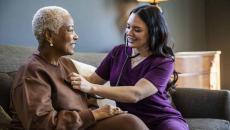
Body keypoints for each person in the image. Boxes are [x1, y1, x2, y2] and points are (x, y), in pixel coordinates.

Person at [10, 6, 149, 130]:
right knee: (130, 123)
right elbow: (41, 123)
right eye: (70, 30)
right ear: (49, 35)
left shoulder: (67, 64)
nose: (76, 36)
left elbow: (88, 100)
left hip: (86, 125)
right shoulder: (32, 72)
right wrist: (94, 115)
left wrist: (101, 113)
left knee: (129, 121)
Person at [70, 4, 189, 130]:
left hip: (162, 119)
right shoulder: (117, 53)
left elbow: (136, 94)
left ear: (153, 32)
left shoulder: (164, 62)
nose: (129, 33)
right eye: (128, 27)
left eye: (137, 30)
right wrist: (63, 75)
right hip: (129, 121)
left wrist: (91, 88)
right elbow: (92, 80)